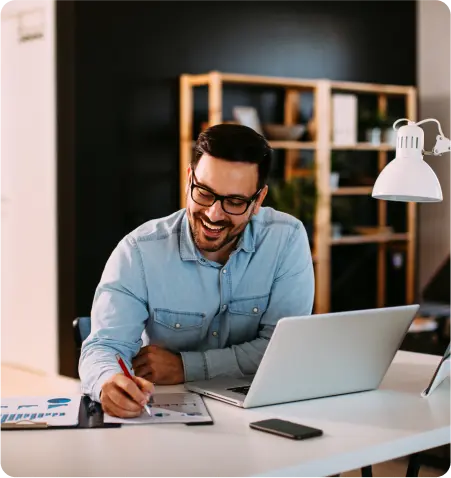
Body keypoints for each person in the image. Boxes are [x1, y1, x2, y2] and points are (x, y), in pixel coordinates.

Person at [79, 123, 315, 418]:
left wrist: (185, 367)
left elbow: (280, 348)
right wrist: (107, 382)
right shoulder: (139, 251)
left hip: (261, 409)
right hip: (168, 416)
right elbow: (104, 346)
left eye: (235, 202)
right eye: (204, 193)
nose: (214, 214)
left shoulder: (286, 239)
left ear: (258, 200)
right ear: (189, 179)